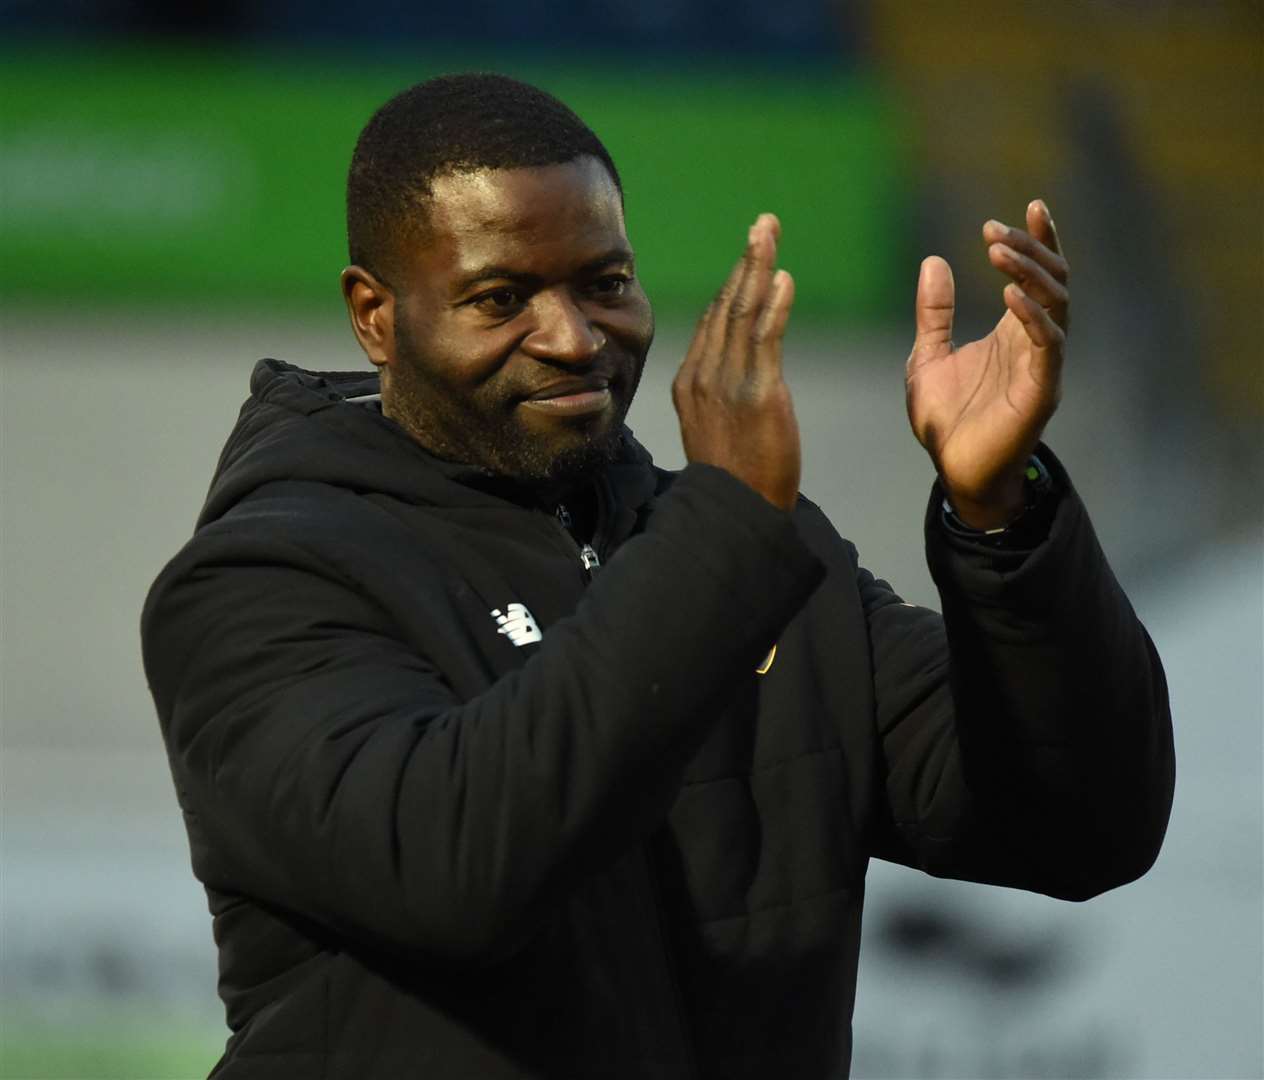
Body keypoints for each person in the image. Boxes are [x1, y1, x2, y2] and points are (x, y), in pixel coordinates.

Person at [141, 73, 1175, 1079]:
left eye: (605, 283)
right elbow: (459, 873)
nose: (574, 339)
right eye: (501, 298)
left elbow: (1085, 826)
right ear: (375, 315)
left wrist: (1003, 518)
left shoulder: (771, 562)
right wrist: (723, 530)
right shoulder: (260, 582)